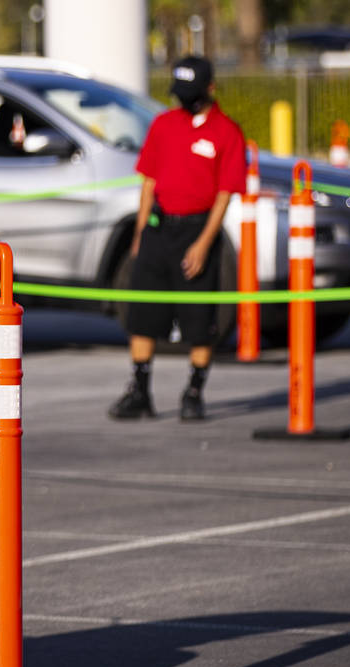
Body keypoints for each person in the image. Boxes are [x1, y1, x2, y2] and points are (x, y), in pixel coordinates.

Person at [109, 56, 246, 421]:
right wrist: (140, 234)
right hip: (159, 228)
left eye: (191, 92)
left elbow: (225, 194)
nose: (183, 100)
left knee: (200, 318)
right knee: (143, 313)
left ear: (210, 90)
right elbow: (148, 182)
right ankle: (140, 389)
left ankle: (194, 391)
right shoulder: (164, 124)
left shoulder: (227, 132)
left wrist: (203, 243)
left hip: (197, 229)